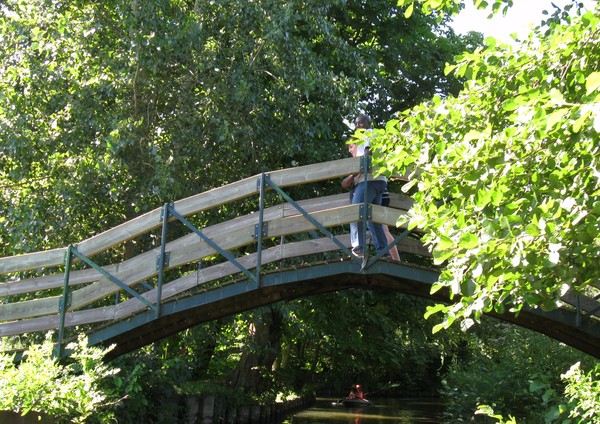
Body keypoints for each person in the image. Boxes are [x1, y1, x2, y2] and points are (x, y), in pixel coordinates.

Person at [341, 114, 390, 259]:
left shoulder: (370, 134)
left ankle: (358, 249)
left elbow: (368, 156)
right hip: (379, 181)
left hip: (369, 180)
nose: (358, 126)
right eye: (356, 123)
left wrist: (351, 177)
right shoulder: (370, 136)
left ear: (369, 123)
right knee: (373, 219)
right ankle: (383, 252)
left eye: (361, 122)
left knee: (356, 211)